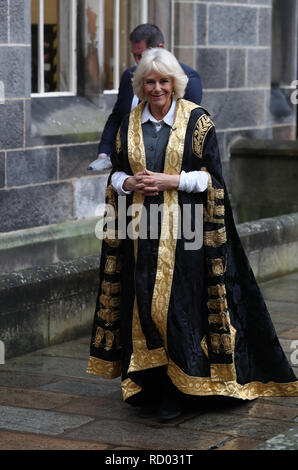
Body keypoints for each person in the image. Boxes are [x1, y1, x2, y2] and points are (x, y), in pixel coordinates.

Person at [87, 48, 298, 421]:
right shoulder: (128, 124)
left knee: (177, 309)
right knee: (144, 307)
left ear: (175, 84)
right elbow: (116, 174)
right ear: (140, 85)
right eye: (149, 82)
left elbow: (212, 178)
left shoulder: (198, 122)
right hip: (140, 230)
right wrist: (126, 182)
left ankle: (178, 389)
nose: (156, 88)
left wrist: (172, 180)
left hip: (187, 232)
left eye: (163, 81)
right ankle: (149, 384)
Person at [93, 24, 202, 169]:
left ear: (160, 48)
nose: (138, 61)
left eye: (141, 56)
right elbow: (117, 116)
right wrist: (104, 152)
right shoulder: (129, 76)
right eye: (134, 56)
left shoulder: (189, 79)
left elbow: (188, 127)